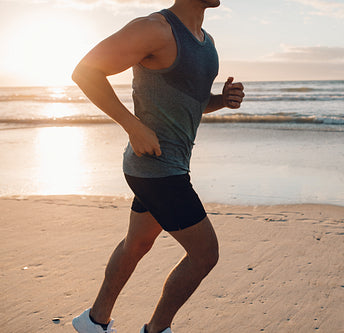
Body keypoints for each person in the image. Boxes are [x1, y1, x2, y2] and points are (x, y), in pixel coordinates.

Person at [71, 0, 245, 332]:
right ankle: (156, 329)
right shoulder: (154, 29)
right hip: (155, 168)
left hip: (172, 164)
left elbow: (192, 102)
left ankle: (95, 321)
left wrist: (222, 100)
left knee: (137, 244)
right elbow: (85, 71)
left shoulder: (207, 43)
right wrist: (132, 125)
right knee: (204, 254)